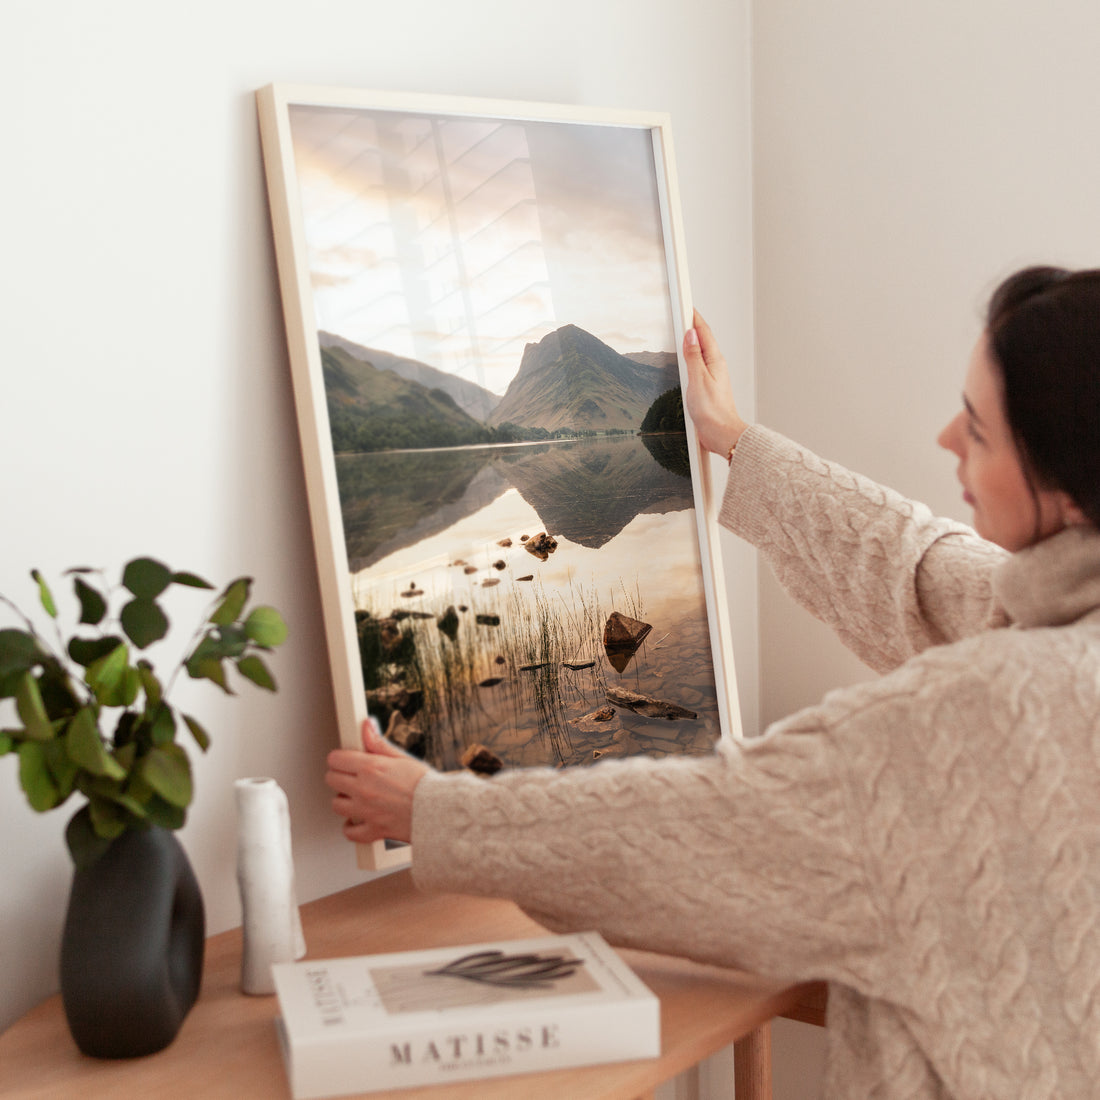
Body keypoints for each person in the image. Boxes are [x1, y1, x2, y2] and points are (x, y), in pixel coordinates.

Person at [325, 265, 1100, 1099]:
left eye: (978, 429)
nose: (947, 438)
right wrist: (734, 440)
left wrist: (436, 812)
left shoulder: (983, 714)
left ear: (1067, 487)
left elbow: (708, 826)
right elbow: (917, 570)